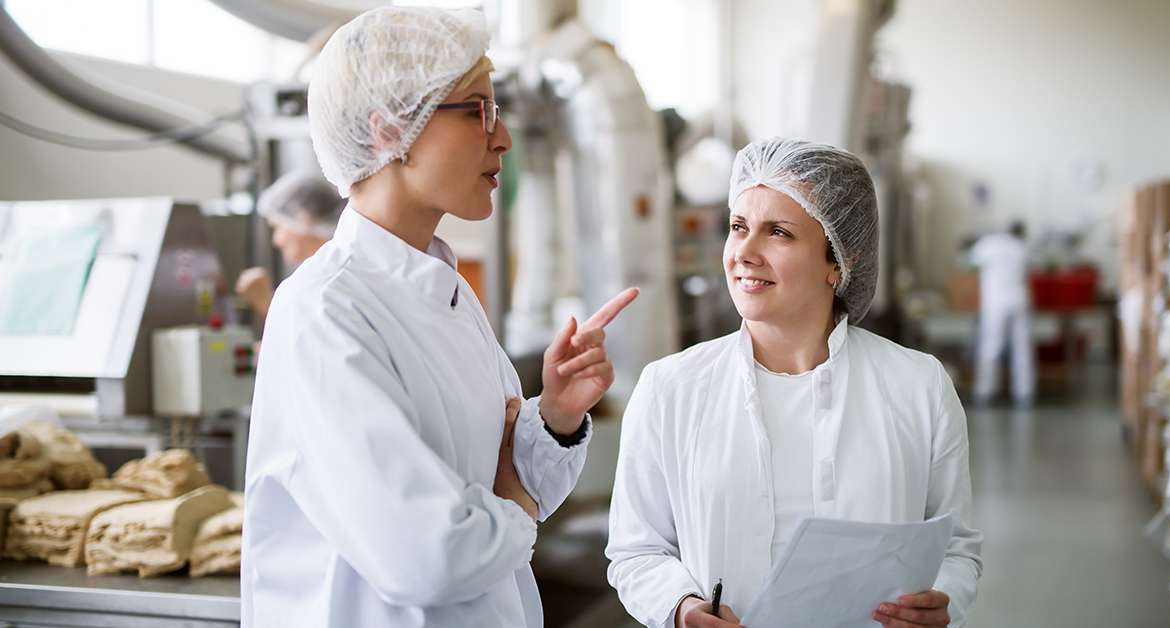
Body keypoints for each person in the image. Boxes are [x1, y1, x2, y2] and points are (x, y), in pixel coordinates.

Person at [240, 7, 638, 628]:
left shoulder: (444, 291)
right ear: (388, 131)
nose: (501, 136)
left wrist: (555, 416)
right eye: (479, 108)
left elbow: (504, 482)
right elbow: (427, 554)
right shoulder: (324, 310)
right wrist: (513, 499)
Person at [605, 138, 982, 628]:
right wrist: (680, 609)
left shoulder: (918, 386)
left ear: (839, 260)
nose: (744, 252)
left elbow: (956, 547)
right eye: (738, 227)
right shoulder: (669, 389)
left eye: (778, 232)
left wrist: (944, 599)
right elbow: (637, 550)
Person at [234, 170, 346, 319]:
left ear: (303, 217)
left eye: (277, 228)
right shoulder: (323, 272)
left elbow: (313, 334)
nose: (276, 241)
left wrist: (264, 302)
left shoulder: (333, 277)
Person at [970, 221, 1035, 408]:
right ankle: (1025, 393)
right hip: (1019, 301)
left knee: (991, 346)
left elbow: (968, 261)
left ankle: (985, 392)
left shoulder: (988, 244)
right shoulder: (1019, 246)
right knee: (1022, 348)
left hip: (996, 303)